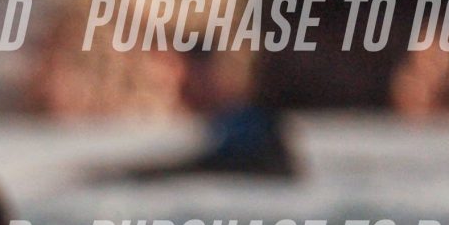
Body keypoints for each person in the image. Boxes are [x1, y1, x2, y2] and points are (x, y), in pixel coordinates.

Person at [84, 46, 296, 184]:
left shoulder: (250, 121)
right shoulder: (218, 120)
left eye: (185, 79)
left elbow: (232, 166)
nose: (177, 86)